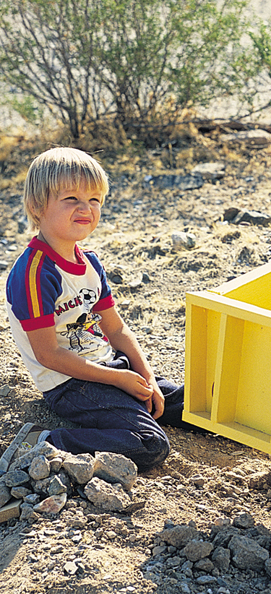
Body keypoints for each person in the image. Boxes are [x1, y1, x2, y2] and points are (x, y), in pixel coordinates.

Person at [2, 147, 193, 473]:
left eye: (94, 200)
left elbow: (116, 330)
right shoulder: (35, 272)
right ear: (37, 206)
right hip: (70, 385)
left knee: (197, 403)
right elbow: (48, 355)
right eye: (71, 199)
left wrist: (143, 373)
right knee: (149, 443)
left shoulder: (89, 262)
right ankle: (45, 441)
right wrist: (119, 380)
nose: (85, 208)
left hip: (107, 366)